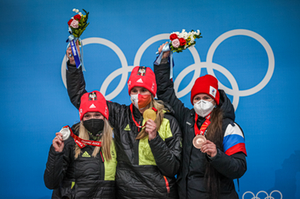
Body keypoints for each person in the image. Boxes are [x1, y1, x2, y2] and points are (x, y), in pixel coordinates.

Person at [65, 48, 182, 198]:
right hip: (126, 194)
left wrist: (155, 138)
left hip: (159, 194)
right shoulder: (121, 115)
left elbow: (172, 169)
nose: (138, 96)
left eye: (143, 90)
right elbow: (82, 100)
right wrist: (74, 66)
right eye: (134, 91)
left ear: (152, 93)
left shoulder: (168, 121)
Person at [153, 42, 247, 199]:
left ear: (215, 100)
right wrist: (164, 59)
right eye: (197, 98)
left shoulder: (229, 127)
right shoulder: (186, 118)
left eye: (206, 98)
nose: (201, 102)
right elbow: (165, 92)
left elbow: (239, 168)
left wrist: (217, 155)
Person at [44, 91, 117, 199]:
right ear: (82, 119)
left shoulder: (115, 145)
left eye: (97, 115)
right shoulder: (69, 143)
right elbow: (51, 183)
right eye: (87, 116)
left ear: (105, 117)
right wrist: (56, 154)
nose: (92, 119)